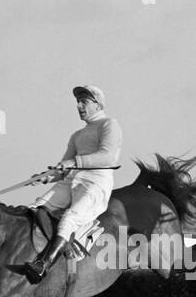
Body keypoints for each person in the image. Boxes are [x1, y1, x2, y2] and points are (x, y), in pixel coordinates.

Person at [15, 84, 123, 284]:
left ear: (97, 104)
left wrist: (74, 163)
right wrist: (46, 176)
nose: (79, 106)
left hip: (96, 183)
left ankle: (43, 265)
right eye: (78, 102)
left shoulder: (109, 124)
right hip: (71, 180)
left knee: (69, 219)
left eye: (84, 102)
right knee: (37, 207)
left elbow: (107, 157)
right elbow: (63, 167)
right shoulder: (77, 135)